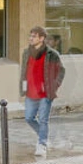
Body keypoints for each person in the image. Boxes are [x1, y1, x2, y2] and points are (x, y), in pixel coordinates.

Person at [19, 25, 64, 157]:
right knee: (29, 118)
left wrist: (55, 85)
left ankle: (42, 144)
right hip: (31, 92)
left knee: (43, 119)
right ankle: (43, 136)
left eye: (34, 36)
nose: (31, 38)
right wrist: (23, 89)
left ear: (42, 38)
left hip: (45, 93)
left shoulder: (51, 54)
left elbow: (61, 71)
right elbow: (24, 72)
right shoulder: (26, 53)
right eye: (30, 36)